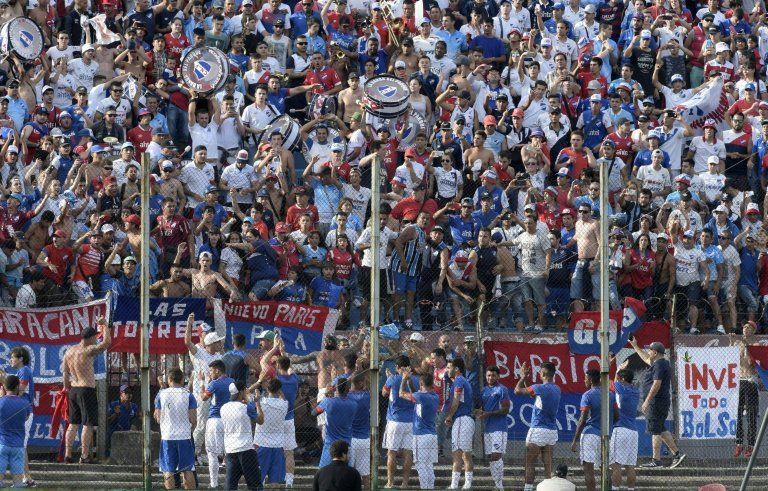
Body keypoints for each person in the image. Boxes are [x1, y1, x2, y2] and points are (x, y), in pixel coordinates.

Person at [629, 339, 686, 468]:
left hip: (656, 402)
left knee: (655, 431)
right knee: (660, 428)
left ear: (654, 353)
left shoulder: (660, 365)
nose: (648, 352)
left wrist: (647, 401)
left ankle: (656, 460)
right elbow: (646, 359)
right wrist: (635, 346)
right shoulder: (659, 363)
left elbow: (656, 384)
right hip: (659, 402)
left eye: (650, 350)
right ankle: (677, 454)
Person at [62, 316, 111, 464]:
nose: (96, 339)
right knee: (87, 424)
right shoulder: (88, 349)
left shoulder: (69, 351)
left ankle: (67, 454)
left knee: (73, 424)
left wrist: (66, 386)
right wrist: (105, 325)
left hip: (73, 390)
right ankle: (84, 455)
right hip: (86, 389)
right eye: (95, 336)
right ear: (90, 338)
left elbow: (65, 372)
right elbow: (106, 343)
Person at [514, 361, 561, 491]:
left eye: (540, 372)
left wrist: (523, 377)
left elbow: (517, 391)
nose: (539, 374)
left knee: (529, 462)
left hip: (538, 429)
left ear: (543, 373)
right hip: (551, 432)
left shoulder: (539, 387)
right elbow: (532, 393)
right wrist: (527, 381)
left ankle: (528, 488)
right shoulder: (557, 389)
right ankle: (549, 488)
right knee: (548, 465)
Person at [571, 368, 616, 491]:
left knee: (588, 470)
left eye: (585, 378)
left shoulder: (587, 395)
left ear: (590, 380)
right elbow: (616, 416)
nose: (584, 380)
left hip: (590, 435)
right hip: (606, 436)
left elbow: (582, 419)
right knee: (605, 469)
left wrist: (575, 440)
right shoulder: (610, 395)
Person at [154, 368, 197, 490]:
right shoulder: (188, 395)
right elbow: (193, 419)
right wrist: (190, 430)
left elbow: (157, 418)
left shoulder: (161, 395)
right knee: (188, 469)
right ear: (182, 380)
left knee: (168, 470)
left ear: (169, 380)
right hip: (184, 436)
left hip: (167, 436)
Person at [381, 355, 419, 489]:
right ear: (409, 366)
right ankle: (405, 483)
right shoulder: (415, 379)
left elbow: (384, 393)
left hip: (395, 421)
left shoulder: (392, 378)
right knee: (408, 453)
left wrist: (389, 378)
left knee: (391, 452)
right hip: (411, 421)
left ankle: (390, 483)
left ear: (397, 367)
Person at [399, 368, 439, 490]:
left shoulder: (420, 396)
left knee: (420, 465)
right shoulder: (435, 396)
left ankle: (425, 488)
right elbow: (416, 394)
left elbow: (401, 394)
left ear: (421, 384)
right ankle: (430, 488)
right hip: (432, 435)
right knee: (429, 465)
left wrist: (403, 379)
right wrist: (410, 381)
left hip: (421, 436)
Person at [221, 380, 264, 490]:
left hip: (230, 450)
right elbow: (260, 420)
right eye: (245, 390)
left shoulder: (223, 408)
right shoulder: (247, 407)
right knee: (255, 485)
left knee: (230, 485)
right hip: (246, 450)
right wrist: (257, 402)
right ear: (241, 392)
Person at [200, 359, 235, 488]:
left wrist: (202, 384)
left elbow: (204, 397)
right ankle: (230, 483)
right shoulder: (232, 382)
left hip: (215, 419)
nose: (210, 373)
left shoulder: (214, 384)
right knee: (229, 452)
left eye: (211, 371)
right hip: (229, 420)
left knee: (212, 452)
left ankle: (214, 484)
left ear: (217, 370)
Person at [476, 366, 510, 491]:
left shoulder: (502, 389)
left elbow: (506, 409)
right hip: (487, 429)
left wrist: (488, 414)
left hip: (499, 428)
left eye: (493, 375)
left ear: (498, 376)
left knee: (496, 455)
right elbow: (480, 408)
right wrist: (478, 412)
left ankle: (500, 486)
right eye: (488, 375)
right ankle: (497, 484)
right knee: (491, 457)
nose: (490, 378)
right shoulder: (483, 391)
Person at [313, 377, 356, 469]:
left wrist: (326, 396)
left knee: (323, 470)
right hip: (346, 443)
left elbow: (314, 412)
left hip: (330, 443)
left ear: (336, 388)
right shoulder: (354, 404)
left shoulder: (328, 401)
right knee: (346, 471)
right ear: (348, 389)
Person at [252, 377, 288, 487]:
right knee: (275, 481)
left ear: (268, 389)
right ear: (279, 390)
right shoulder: (284, 404)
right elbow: (283, 398)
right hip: (277, 445)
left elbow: (247, 394)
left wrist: (257, 396)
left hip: (261, 444)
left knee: (257, 479)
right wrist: (279, 390)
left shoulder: (262, 402)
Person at [444, 357, 474, 490]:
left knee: (457, 454)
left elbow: (456, 401)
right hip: (466, 419)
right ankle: (466, 484)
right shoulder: (463, 380)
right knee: (465, 454)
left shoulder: (459, 381)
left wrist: (449, 416)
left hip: (461, 419)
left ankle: (455, 485)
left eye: (449, 367)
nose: (447, 370)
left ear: (456, 369)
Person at [731, 321, 759, 458]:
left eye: (748, 327)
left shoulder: (756, 345)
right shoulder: (738, 344)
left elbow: (750, 363)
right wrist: (731, 342)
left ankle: (751, 445)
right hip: (738, 381)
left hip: (750, 380)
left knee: (751, 415)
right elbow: (730, 361)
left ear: (753, 331)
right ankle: (739, 442)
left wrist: (747, 346)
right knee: (736, 414)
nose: (745, 328)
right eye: (744, 326)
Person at [610, 363, 640, 491]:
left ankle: (615, 489)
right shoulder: (635, 391)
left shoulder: (620, 388)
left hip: (620, 429)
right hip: (633, 431)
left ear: (622, 379)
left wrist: (618, 369)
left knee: (616, 464)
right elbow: (617, 381)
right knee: (630, 466)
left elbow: (613, 382)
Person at [0, 375, 31, 489]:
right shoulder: (25, 403)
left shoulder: (1, 402)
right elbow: (26, 418)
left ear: (4, 386)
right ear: (18, 386)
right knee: (18, 484)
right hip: (18, 447)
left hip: (2, 444)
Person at [107, 384, 138, 457]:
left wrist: (135, 425)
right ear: (121, 393)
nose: (129, 395)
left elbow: (137, 418)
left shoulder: (134, 406)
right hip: (114, 433)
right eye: (126, 392)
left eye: (130, 392)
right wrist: (115, 414)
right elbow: (107, 421)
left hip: (128, 434)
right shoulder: (113, 404)